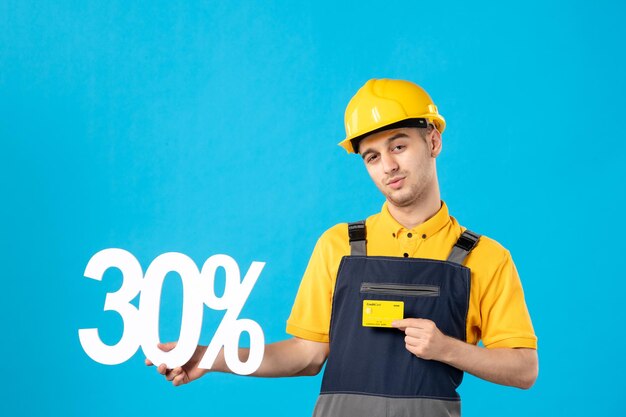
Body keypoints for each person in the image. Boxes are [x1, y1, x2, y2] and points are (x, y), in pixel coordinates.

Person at [147, 78, 538, 416]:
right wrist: (207, 356)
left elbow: (524, 369)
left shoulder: (484, 257)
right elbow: (305, 355)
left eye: (398, 146)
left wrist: (446, 348)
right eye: (372, 156)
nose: (388, 166)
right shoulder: (341, 245)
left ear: (433, 141)